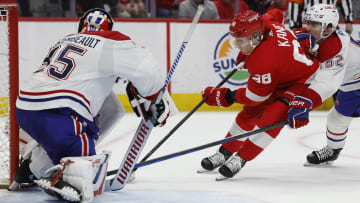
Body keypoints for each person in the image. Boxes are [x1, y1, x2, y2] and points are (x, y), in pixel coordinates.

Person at [10, 8, 175, 202]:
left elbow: (103, 98)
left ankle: (30, 169)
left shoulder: (65, 39)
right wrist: (153, 96)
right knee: (84, 177)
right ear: (107, 28)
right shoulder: (110, 39)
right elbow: (146, 68)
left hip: (25, 109)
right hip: (58, 115)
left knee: (111, 110)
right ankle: (57, 173)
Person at [199, 9, 319, 179]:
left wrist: (226, 96)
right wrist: (246, 54)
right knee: (249, 113)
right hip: (282, 75)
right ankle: (225, 152)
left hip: (302, 80)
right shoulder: (264, 21)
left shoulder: (264, 61)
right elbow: (277, 13)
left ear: (255, 37)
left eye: (240, 41)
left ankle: (241, 159)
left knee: (272, 118)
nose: (236, 45)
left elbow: (256, 97)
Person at [287, 4, 360, 166]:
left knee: (337, 118)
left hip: (355, 81)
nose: (308, 28)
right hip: (352, 85)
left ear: (327, 29)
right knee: (336, 118)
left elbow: (327, 82)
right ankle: (333, 151)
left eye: (314, 25)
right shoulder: (316, 37)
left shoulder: (337, 47)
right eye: (308, 23)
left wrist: (305, 101)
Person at [288, 0, 354, 34]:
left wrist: (349, 21)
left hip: (330, 23)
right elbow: (294, 4)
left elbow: (345, 2)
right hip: (309, 23)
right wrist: (293, 25)